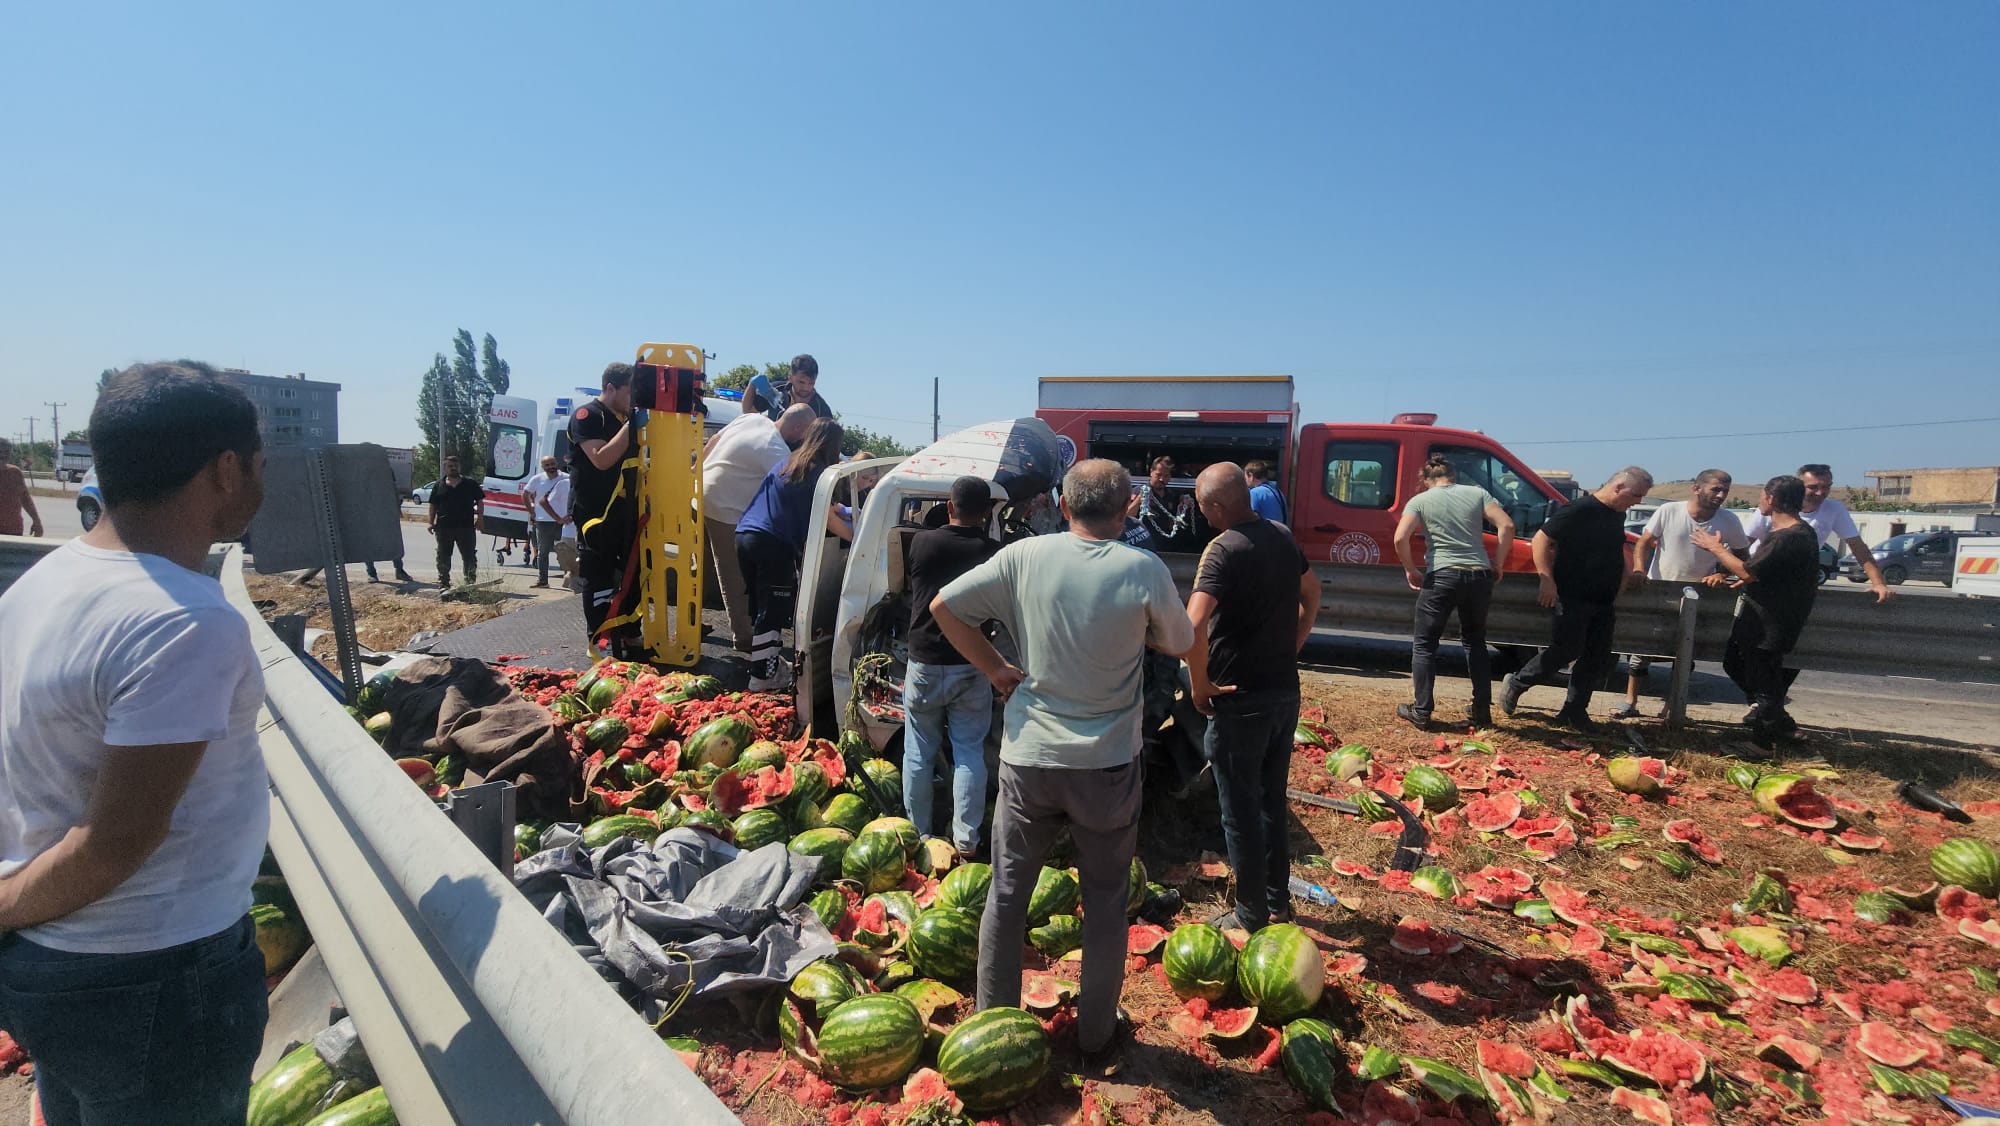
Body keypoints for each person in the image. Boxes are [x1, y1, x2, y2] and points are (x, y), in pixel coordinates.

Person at [0, 362, 270, 1124]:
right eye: (258, 464)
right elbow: (114, 844)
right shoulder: (186, 620)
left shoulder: (45, 582)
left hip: (54, 972)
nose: (259, 482)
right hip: (153, 979)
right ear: (225, 470)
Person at [931, 458, 1195, 1072]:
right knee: (1105, 900)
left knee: (1007, 892)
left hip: (1029, 760)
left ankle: (992, 1024)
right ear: (1129, 505)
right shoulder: (1142, 567)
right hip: (1107, 766)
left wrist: (995, 668)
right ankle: (1096, 1036)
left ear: (1065, 504)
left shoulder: (1027, 556)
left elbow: (946, 608)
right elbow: (1180, 642)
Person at [1186, 463, 1319, 933]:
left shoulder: (1223, 549)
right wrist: (1296, 641)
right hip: (1285, 691)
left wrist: (1199, 683)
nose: (1200, 515)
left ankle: (1249, 915)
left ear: (1218, 506)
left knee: (1239, 812)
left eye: (1202, 506)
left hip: (1238, 698)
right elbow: (1312, 592)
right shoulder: (1280, 534)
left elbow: (1193, 623)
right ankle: (1277, 903)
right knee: (1270, 802)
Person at [1498, 467, 1653, 730]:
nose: (1638, 501)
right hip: (1572, 594)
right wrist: (1546, 579)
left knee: (1597, 655)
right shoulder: (1579, 509)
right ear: (1618, 487)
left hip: (1603, 598)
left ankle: (1574, 710)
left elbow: (1614, 548)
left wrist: (1628, 575)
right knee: (1567, 649)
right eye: (1636, 494)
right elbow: (1541, 540)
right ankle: (1518, 682)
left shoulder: (1617, 513)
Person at [902, 476, 1003, 860]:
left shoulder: (922, 543)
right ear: (987, 513)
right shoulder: (994, 553)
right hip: (972, 662)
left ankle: (919, 836)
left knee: (918, 753)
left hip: (925, 661)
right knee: (968, 752)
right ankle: (966, 841)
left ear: (949, 506)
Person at [1694, 475, 1821, 748]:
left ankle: (1762, 743)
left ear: (1772, 499)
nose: (1760, 501)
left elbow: (1747, 569)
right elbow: (1767, 572)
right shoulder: (1798, 533)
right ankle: (1781, 724)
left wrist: (1715, 547)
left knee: (1763, 681)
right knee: (1736, 663)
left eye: (1763, 496)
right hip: (1765, 618)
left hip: (1770, 622)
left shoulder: (1787, 537)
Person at [1391, 453, 1516, 730]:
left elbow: (1400, 537)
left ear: (1425, 480)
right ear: (1454, 476)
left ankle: (1422, 711)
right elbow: (1506, 525)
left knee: (1425, 644)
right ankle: (1482, 712)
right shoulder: (1477, 493)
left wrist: (1410, 569)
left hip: (1442, 576)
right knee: (1475, 642)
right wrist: (1497, 562)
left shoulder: (1420, 501)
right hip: (1479, 574)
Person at [1612, 470, 1746, 719]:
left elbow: (1743, 556)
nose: (1720, 495)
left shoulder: (1729, 520)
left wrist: (1722, 574)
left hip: (1697, 596)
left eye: (1725, 491)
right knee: (1641, 652)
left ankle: (1672, 707)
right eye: (1715, 489)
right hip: (1659, 590)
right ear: (1697, 488)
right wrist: (1640, 570)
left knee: (1684, 656)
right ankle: (1630, 701)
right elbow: (1643, 542)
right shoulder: (1669, 511)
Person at [735, 418, 846, 691]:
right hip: (774, 544)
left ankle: (767, 665)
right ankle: (761, 677)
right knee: (773, 611)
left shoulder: (787, 462)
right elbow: (830, 520)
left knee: (762, 607)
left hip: (745, 535)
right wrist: (858, 538)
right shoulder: (819, 473)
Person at [701, 404, 816, 652]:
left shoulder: (752, 419)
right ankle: (743, 637)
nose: (803, 440)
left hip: (700, 489)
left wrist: (696, 469)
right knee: (732, 574)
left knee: (696, 568)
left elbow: (714, 439)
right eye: (805, 435)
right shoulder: (776, 450)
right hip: (725, 507)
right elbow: (793, 489)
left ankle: (690, 622)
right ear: (797, 428)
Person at [569, 364, 643, 650]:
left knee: (632, 574)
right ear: (610, 387)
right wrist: (630, 426)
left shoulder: (623, 417)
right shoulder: (588, 416)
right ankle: (599, 640)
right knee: (598, 578)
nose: (633, 398)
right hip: (595, 514)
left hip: (626, 512)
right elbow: (600, 459)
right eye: (629, 391)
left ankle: (629, 631)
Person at [1745, 463, 1892, 603]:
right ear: (1799, 487)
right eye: (1813, 487)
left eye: (1826, 487)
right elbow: (1745, 542)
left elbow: (1857, 546)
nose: (1820, 492)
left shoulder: (1835, 509)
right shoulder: (1774, 505)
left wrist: (1878, 583)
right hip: (1759, 569)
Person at [426, 454, 483, 590]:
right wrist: (430, 522)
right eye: (450, 466)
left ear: (460, 467)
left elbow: (480, 501)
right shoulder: (438, 485)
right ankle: (444, 582)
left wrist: (480, 519)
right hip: (444, 527)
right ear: (445, 468)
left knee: (469, 556)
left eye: (456, 466)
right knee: (443, 556)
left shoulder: (470, 483)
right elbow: (433, 505)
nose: (453, 468)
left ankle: (470, 583)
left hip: (466, 527)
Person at [524, 455, 568, 589]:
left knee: (568, 551)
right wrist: (531, 511)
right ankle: (543, 580)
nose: (551, 467)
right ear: (543, 467)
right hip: (543, 521)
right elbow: (525, 494)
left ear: (557, 463)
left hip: (565, 521)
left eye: (552, 464)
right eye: (547, 465)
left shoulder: (566, 478)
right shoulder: (537, 479)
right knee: (543, 552)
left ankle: (571, 579)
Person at [747, 353, 834, 421]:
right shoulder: (776, 390)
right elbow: (748, 411)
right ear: (790, 377)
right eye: (801, 382)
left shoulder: (822, 409)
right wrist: (752, 385)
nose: (806, 388)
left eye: (811, 383)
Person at [1136, 456, 1194, 552]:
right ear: (1151, 472)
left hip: (1165, 548)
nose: (1162, 479)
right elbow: (1127, 516)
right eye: (1158, 475)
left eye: (1166, 476)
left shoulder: (1172, 495)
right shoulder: (1139, 491)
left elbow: (1171, 525)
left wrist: (1183, 507)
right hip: (1144, 546)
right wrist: (1139, 499)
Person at [0, 440, 42, 538]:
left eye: (6, 452)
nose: (2, 456)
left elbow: (25, 498)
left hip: (13, 529)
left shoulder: (15, 473)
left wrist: (37, 521)